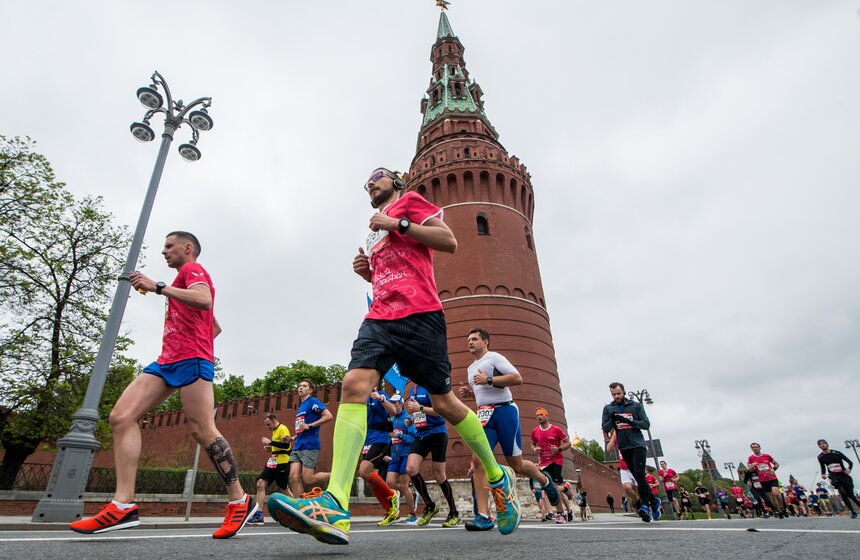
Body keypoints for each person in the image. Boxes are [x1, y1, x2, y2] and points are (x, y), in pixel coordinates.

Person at [268, 167, 521, 545]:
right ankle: (336, 503)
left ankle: (498, 477)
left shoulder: (410, 203)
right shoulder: (373, 233)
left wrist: (396, 222)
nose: (370, 182)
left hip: (421, 315)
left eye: (378, 176)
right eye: (366, 180)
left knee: (446, 402)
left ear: (397, 182)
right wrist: (367, 273)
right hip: (381, 316)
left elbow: (447, 241)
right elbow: (394, 271)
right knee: (353, 385)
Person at [70, 231, 256, 538]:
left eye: (169, 246)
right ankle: (123, 505)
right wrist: (192, 334)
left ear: (187, 248)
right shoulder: (182, 279)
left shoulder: (191, 270)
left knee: (201, 430)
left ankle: (240, 500)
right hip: (168, 360)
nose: (164, 251)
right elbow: (214, 325)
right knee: (121, 416)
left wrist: (158, 287)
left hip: (191, 360)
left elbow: (204, 299)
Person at [458, 327, 561, 530]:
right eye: (468, 339)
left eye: (475, 339)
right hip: (485, 416)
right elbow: (482, 392)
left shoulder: (494, 358)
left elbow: (516, 378)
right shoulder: (471, 368)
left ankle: (544, 480)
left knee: (517, 464)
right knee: (477, 461)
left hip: (505, 412)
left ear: (486, 342)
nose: (470, 342)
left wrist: (488, 379)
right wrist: (470, 394)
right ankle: (484, 516)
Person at [601, 382, 660, 522]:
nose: (616, 396)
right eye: (614, 394)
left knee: (639, 474)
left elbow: (646, 424)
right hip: (624, 446)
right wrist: (613, 420)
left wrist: (629, 421)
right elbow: (605, 427)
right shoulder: (608, 408)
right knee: (637, 476)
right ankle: (654, 501)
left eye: (618, 393)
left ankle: (645, 506)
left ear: (624, 392)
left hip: (637, 444)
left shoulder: (635, 406)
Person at [404, 383, 460, 527]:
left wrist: (420, 408)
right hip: (421, 434)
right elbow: (418, 413)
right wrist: (412, 419)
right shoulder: (413, 389)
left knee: (439, 475)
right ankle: (430, 505)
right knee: (410, 469)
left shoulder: (432, 387)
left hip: (437, 433)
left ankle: (454, 512)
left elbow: (442, 411)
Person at [359, 387, 400, 525]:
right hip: (368, 439)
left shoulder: (380, 394)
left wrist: (381, 399)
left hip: (380, 438)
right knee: (371, 479)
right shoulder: (363, 399)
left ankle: (391, 494)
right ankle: (391, 512)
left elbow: (393, 412)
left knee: (363, 471)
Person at [289, 379, 333, 496]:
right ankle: (302, 505)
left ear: (310, 390)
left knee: (309, 479)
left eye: (304, 386)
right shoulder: (301, 407)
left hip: (310, 445)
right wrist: (292, 438)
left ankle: (337, 475)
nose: (300, 388)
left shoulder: (313, 402)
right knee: (293, 477)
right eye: (299, 386)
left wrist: (310, 425)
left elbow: (328, 416)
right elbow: (302, 429)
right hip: (298, 445)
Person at [530, 407, 573, 521]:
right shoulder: (535, 431)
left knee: (553, 487)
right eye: (537, 415)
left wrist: (558, 449)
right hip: (543, 463)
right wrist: (535, 449)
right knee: (548, 489)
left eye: (541, 415)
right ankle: (565, 489)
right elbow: (532, 444)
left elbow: (568, 443)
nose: (539, 417)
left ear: (547, 415)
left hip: (556, 461)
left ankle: (560, 513)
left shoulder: (556, 429)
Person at [250, 413, 293, 525]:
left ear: (274, 420)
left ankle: (298, 511)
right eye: (266, 425)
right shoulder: (275, 431)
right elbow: (279, 446)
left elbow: (286, 446)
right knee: (260, 484)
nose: (267, 427)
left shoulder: (283, 429)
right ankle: (259, 515)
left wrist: (270, 442)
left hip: (282, 462)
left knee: (284, 489)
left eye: (268, 424)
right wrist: (271, 448)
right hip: (273, 461)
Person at [384, 394, 418, 524]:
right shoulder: (391, 419)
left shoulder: (408, 419)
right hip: (394, 456)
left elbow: (413, 439)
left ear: (401, 404)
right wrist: (387, 454)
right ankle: (411, 494)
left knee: (403, 485)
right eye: (391, 403)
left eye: (395, 403)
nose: (393, 405)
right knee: (390, 483)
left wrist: (401, 435)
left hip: (405, 455)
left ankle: (412, 514)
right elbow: (389, 438)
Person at [817, 439, 860, 518]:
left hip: (844, 476)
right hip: (834, 477)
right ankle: (853, 512)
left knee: (851, 495)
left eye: (824, 443)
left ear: (827, 444)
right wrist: (823, 474)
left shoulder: (837, 453)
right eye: (820, 444)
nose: (822, 445)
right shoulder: (820, 457)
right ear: (819, 446)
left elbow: (850, 462)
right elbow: (823, 467)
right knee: (843, 493)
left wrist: (849, 469)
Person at [747, 442, 785, 518]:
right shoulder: (751, 458)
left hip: (772, 478)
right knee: (772, 497)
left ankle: (782, 507)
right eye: (753, 447)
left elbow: (776, 464)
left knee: (776, 493)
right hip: (763, 480)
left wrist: (773, 469)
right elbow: (750, 470)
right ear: (751, 449)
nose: (755, 448)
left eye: (756, 447)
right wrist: (752, 466)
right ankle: (779, 511)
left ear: (759, 448)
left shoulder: (766, 456)